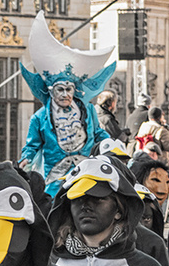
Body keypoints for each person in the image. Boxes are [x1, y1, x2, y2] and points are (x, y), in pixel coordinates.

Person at [19, 13, 116, 187]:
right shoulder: (39, 117)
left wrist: (112, 145)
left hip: (87, 171)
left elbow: (99, 134)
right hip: (55, 177)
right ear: (51, 92)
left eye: (68, 89)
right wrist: (25, 159)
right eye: (60, 90)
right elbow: (32, 145)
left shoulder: (89, 110)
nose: (65, 94)